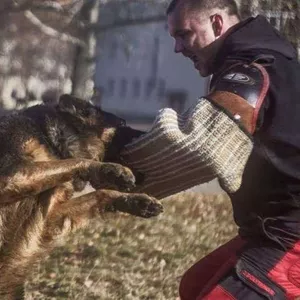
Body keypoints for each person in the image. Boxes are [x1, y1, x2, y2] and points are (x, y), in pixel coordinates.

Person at [161, 0, 300, 299]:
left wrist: (110, 147)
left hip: (290, 235)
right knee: (194, 286)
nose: (177, 48)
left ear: (217, 23)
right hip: (266, 230)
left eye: (183, 35)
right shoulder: (257, 59)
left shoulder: (252, 69)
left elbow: (200, 147)